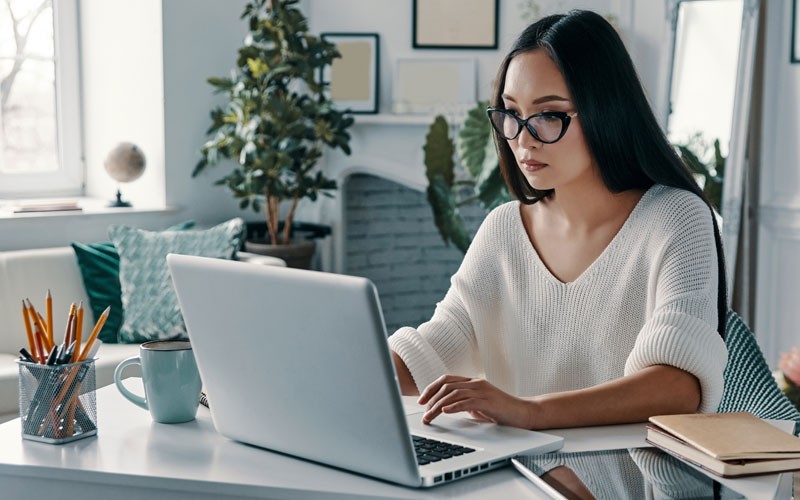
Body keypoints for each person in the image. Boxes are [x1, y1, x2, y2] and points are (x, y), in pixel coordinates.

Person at [388, 10, 729, 431]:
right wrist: (350, 367)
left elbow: (678, 385)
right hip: (516, 472)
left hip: (623, 478)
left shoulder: (675, 218)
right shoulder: (504, 229)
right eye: (511, 114)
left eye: (549, 115)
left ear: (606, 111)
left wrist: (530, 411)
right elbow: (434, 348)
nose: (522, 139)